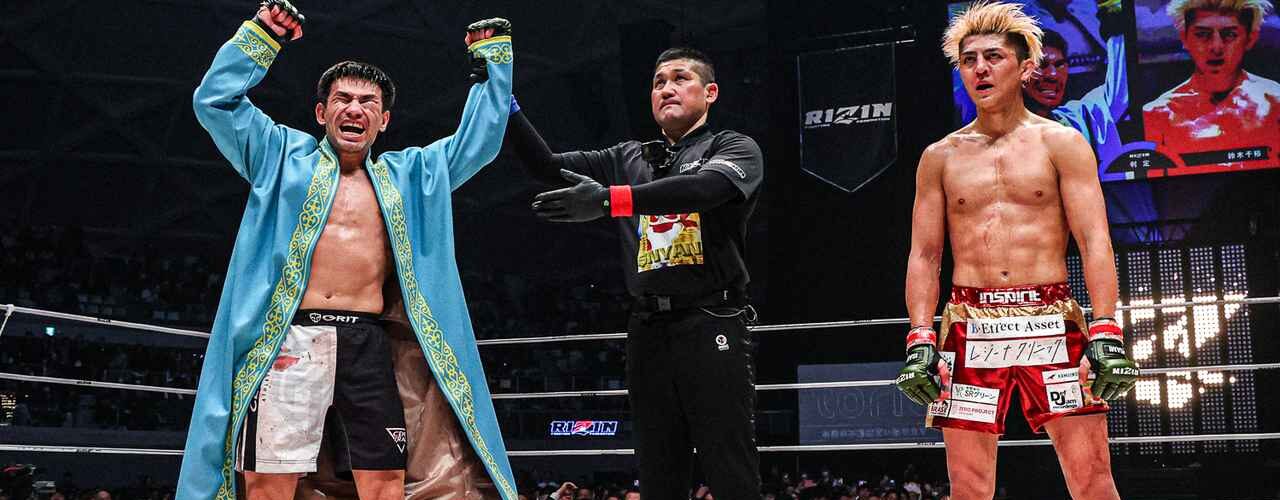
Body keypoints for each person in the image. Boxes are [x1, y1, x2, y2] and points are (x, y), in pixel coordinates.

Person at [176, 1, 519, 499]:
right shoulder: (278, 156)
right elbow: (215, 101)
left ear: (384, 119)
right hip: (291, 339)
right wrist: (263, 36)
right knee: (269, 484)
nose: (354, 108)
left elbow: (479, 142)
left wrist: (493, 63)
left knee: (384, 483)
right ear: (322, 113)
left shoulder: (413, 176)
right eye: (342, 99)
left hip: (367, 343)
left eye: (367, 102)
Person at [895, 2, 1139, 499]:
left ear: (1026, 67)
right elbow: (925, 255)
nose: (980, 69)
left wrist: (1106, 329)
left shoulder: (1062, 143)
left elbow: (1095, 241)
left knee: (1092, 479)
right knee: (968, 486)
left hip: (1050, 317)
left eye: (993, 57)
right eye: (968, 60)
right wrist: (920, 339)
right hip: (970, 323)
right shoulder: (939, 157)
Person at [505, 47, 764, 499]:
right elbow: (545, 166)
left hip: (711, 320)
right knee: (658, 467)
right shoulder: (628, 156)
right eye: (658, 82)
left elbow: (704, 189)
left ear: (710, 92)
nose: (666, 88)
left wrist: (609, 201)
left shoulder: (734, 147)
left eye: (680, 78)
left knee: (729, 466)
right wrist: (503, 103)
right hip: (647, 328)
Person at [1143, 0, 1280, 170]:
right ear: (1184, 38)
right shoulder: (1156, 114)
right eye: (1202, 34)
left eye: (1230, 34)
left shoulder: (1275, 101)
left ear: (1250, 39)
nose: (1216, 47)